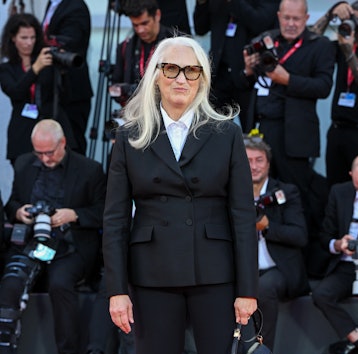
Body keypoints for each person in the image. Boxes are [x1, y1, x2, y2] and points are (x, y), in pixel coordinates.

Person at [103, 35, 273, 354]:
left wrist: (247, 289)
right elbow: (114, 218)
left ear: (203, 79)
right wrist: (117, 288)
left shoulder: (224, 132)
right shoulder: (130, 133)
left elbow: (243, 214)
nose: (181, 79)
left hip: (218, 278)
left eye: (191, 71)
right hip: (151, 279)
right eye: (172, 70)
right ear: (155, 74)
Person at [0, 119, 106, 354]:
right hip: (31, 241)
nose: (45, 158)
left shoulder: (89, 170)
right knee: (11, 283)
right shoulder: (25, 163)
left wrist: (74, 215)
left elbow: (104, 213)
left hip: (71, 245)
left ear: (63, 144)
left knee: (61, 284)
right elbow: (12, 202)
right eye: (40, 153)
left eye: (50, 152)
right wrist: (19, 211)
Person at [242, 0, 335, 235]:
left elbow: (323, 86)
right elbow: (246, 84)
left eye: (296, 19)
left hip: (296, 136)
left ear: (306, 19)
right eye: (286, 18)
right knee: (260, 194)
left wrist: (288, 80)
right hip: (261, 130)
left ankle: (302, 259)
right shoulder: (266, 40)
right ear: (278, 16)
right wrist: (248, 70)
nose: (291, 24)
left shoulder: (320, 45)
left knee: (297, 197)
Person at [312, 153, 358, 354]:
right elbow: (325, 236)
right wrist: (339, 244)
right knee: (321, 294)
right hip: (348, 265)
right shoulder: (340, 193)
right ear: (351, 176)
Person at [244, 134, 309, 351]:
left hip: (278, 269)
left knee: (263, 288)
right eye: (248, 160)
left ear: (268, 163)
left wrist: (268, 227)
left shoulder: (286, 193)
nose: (254, 166)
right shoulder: (230, 194)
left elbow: (300, 235)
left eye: (259, 160)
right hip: (242, 268)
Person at [311, 1, 358, 187]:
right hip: (338, 130)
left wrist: (349, 53)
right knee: (336, 188)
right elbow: (310, 42)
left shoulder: (348, 49)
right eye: (357, 21)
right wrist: (330, 14)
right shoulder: (342, 45)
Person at [0, 12, 75, 165]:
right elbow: (15, 91)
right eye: (24, 38)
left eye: (33, 38)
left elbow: (64, 92)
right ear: (13, 38)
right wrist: (35, 69)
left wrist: (59, 63)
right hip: (22, 133)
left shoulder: (46, 59)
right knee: (26, 181)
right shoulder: (7, 68)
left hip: (52, 125)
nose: (29, 43)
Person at [193, 0, 280, 131]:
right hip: (220, 76)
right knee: (214, 133)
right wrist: (202, 3)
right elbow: (200, 28)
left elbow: (260, 23)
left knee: (252, 135)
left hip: (250, 76)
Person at [41, 0, 93, 155]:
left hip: (72, 92)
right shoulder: (53, 4)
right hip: (54, 91)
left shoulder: (75, 6)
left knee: (72, 147)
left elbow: (69, 43)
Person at [108, 0, 175, 108]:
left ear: (157, 15)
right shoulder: (125, 46)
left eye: (145, 23)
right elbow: (115, 86)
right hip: (134, 114)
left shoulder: (177, 44)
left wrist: (133, 90)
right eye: (135, 25)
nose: (140, 30)